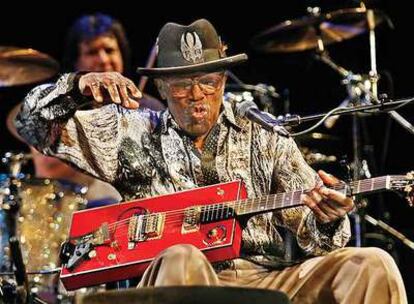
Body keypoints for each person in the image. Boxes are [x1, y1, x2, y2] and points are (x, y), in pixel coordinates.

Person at [14, 19, 406, 303]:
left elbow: (316, 240)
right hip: (176, 277)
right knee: (184, 257)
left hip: (265, 280)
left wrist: (327, 215)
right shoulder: (130, 134)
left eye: (209, 82)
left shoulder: (265, 135)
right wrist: (77, 84)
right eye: (183, 85)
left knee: (373, 263)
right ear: (163, 88)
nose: (198, 95)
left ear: (222, 81)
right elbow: (30, 124)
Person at [13, 13, 165, 205]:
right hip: (67, 207)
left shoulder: (146, 107)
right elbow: (49, 169)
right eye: (92, 52)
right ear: (76, 62)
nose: (103, 60)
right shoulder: (59, 108)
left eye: (109, 50)